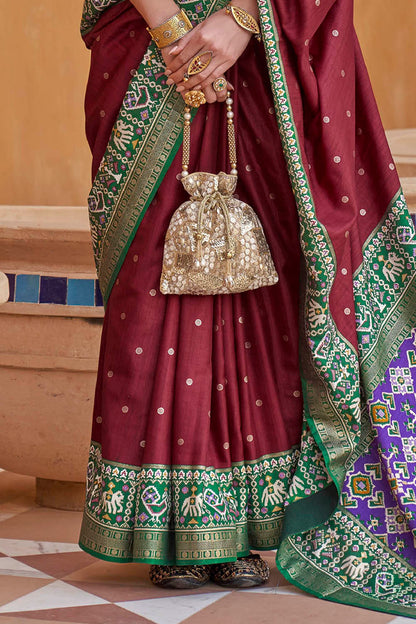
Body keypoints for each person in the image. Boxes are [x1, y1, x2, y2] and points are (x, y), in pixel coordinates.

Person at [79, 0, 416, 616]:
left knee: (261, 293)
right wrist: (174, 32)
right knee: (161, 278)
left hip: (265, 56)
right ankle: (172, 524)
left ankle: (243, 522)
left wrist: (241, 19)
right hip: (153, 50)